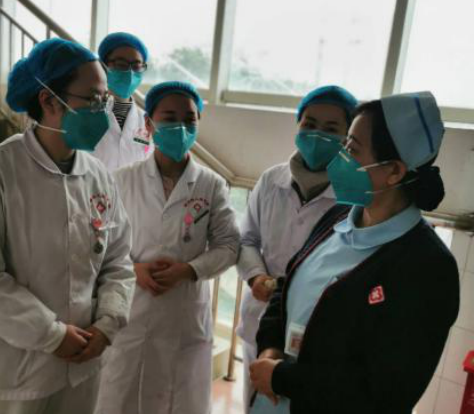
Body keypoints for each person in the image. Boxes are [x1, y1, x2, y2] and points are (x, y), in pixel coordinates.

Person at [0, 38, 135, 414]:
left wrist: (108, 323)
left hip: (83, 368)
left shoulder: (99, 177)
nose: (103, 111)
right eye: (93, 100)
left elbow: (118, 261)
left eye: (105, 100)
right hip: (13, 378)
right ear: (50, 101)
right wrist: (50, 334)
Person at [250, 92, 461, 414]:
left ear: (394, 171)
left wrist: (282, 378)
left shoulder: (426, 267)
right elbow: (286, 286)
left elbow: (386, 393)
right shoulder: (338, 218)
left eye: (352, 149)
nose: (340, 157)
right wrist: (270, 350)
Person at [96, 81, 241, 414]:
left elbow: (229, 244)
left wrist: (188, 270)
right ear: (149, 124)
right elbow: (100, 242)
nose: (180, 127)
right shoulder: (122, 179)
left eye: (189, 119)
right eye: (169, 118)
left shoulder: (211, 184)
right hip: (130, 309)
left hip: (183, 315)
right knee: (120, 398)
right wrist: (134, 269)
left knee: (179, 400)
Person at [237, 85, 358, 412]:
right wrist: (256, 277)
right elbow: (247, 239)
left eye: (331, 128)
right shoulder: (271, 180)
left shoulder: (353, 196)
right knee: (255, 404)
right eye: (310, 124)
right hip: (260, 317)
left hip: (316, 328)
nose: (317, 135)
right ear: (298, 125)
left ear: (348, 137)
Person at [93, 32, 152, 171]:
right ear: (103, 66)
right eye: (121, 64)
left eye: (136, 66)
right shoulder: (86, 114)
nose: (130, 73)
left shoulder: (146, 122)